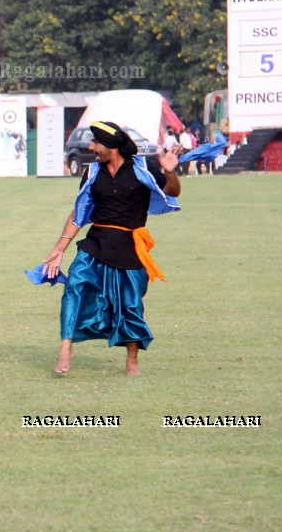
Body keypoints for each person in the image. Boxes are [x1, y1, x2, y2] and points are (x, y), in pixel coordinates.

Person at [42, 121, 182, 376]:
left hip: (130, 247)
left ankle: (132, 362)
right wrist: (60, 248)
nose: (91, 146)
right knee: (74, 286)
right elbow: (80, 212)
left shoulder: (142, 168)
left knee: (130, 306)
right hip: (96, 243)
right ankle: (65, 345)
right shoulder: (92, 172)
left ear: (111, 145)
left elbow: (172, 191)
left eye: (96, 142)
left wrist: (170, 172)